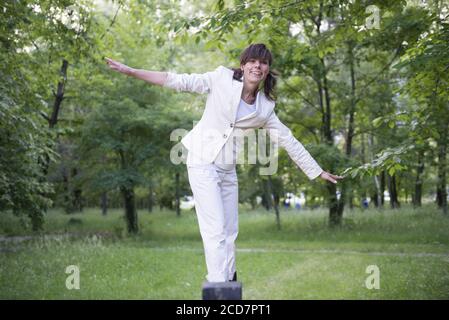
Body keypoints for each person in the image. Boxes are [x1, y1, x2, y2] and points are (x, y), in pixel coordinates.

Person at [106, 43, 343, 283]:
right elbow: (177, 80)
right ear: (243, 64)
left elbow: (288, 140)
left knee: (230, 232)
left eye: (263, 62)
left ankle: (229, 280)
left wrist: (316, 171)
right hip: (201, 162)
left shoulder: (265, 108)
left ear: (267, 70)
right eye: (252, 61)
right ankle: (217, 287)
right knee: (216, 230)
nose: (257, 66)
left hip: (228, 170)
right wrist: (132, 71)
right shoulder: (221, 78)